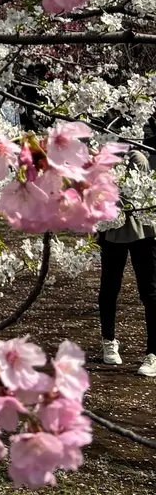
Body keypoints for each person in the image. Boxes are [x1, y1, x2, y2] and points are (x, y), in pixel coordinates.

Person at [99, 147, 156, 376]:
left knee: (150, 292)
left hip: (143, 232)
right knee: (110, 288)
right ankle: (108, 340)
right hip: (112, 231)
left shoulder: (137, 157)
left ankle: (153, 353)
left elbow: (137, 194)